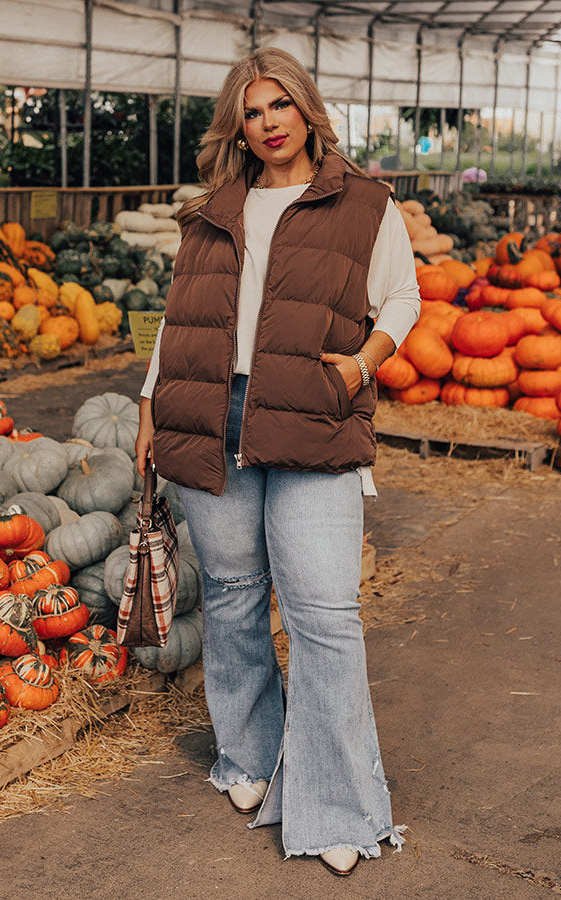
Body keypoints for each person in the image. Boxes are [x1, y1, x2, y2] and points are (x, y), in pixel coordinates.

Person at [136, 47, 420, 877]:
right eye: (252, 111)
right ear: (239, 123)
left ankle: (337, 804)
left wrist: (359, 364)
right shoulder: (211, 214)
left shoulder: (362, 203)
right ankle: (249, 756)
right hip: (210, 411)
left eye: (281, 106)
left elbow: (402, 295)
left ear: (306, 109)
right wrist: (151, 408)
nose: (268, 123)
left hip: (311, 416)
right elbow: (177, 322)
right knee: (229, 595)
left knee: (324, 614)